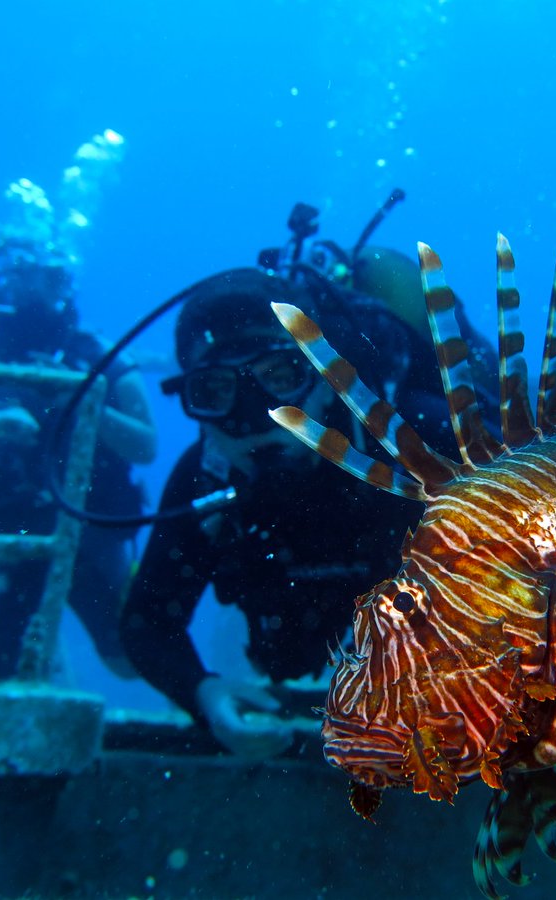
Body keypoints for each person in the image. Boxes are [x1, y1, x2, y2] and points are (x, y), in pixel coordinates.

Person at [120, 202, 496, 758]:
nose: (256, 418)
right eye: (217, 393)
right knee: (288, 657)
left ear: (325, 377)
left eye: (279, 377)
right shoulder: (205, 481)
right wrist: (204, 694)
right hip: (307, 640)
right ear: (192, 403)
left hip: (439, 651)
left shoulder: (420, 444)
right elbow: (147, 623)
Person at [0, 131, 157, 682]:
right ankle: (34, 695)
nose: (29, 292)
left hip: (89, 528)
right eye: (18, 278)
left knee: (134, 659)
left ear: (64, 279)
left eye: (42, 279)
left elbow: (145, 443)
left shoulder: (97, 354)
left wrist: (82, 400)